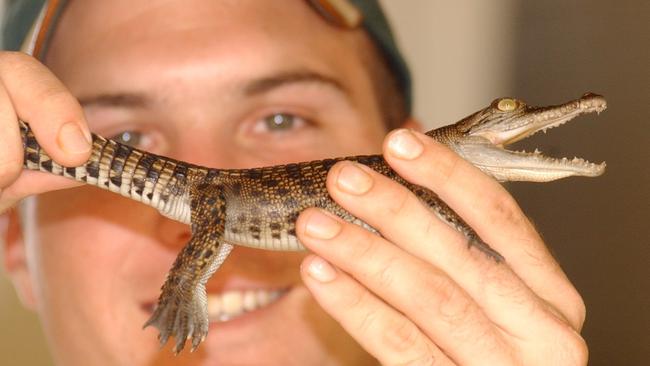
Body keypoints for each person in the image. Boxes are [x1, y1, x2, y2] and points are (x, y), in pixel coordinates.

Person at [0, 1, 588, 365]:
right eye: (127, 135)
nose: (208, 156)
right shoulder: (208, 206)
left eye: (281, 120)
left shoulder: (420, 189)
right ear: (13, 245)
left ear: (407, 143)